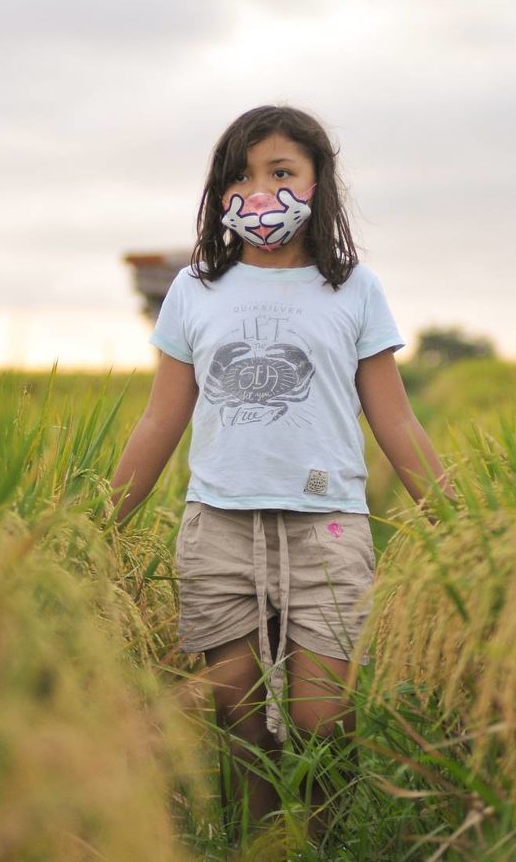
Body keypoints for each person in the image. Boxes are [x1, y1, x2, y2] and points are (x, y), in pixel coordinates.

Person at [110, 104, 454, 842]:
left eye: (281, 173)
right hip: (219, 528)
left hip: (327, 527)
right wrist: (98, 526)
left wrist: (461, 523)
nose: (260, 194)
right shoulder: (196, 291)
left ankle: (325, 844)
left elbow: (394, 419)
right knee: (234, 712)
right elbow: (158, 421)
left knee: (320, 719)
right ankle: (261, 847)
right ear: (219, 192)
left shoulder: (354, 289)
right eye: (242, 176)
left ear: (318, 183)